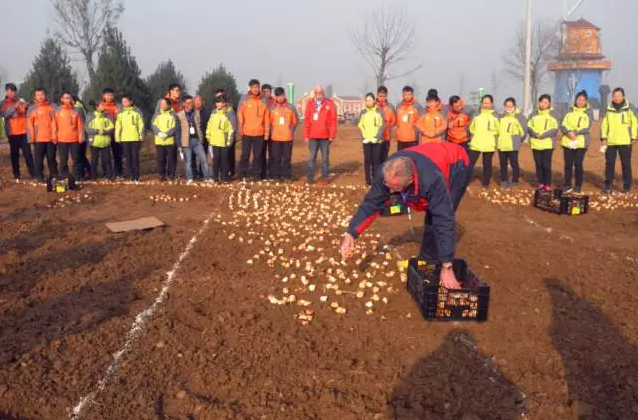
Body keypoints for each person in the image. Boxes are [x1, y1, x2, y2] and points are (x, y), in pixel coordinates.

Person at [340, 142, 470, 289]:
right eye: (387, 185)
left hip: (457, 164)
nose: (388, 191)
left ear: (409, 181)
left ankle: (436, 262)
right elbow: (371, 203)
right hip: (430, 156)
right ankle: (427, 259)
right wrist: (351, 233)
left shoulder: (432, 180)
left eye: (394, 188)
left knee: (437, 215)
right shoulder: (386, 172)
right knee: (431, 213)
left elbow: (444, 218)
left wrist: (447, 266)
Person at [600, 87, 637, 195]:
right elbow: (604, 124)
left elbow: (634, 123)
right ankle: (608, 186)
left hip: (625, 141)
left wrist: (634, 136)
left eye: (619, 95)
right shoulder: (609, 108)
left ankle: (626, 187)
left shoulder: (629, 108)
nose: (617, 98)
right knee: (609, 164)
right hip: (611, 142)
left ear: (623, 96)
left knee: (626, 165)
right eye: (615, 96)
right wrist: (603, 137)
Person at [561, 90, 593, 193]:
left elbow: (587, 126)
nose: (580, 102)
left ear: (586, 102)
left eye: (583, 100)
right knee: (568, 164)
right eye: (579, 99)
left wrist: (575, 132)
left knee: (578, 164)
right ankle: (567, 185)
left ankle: (578, 185)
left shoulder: (588, 112)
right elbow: (563, 124)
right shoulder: (569, 111)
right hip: (568, 141)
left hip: (581, 142)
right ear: (575, 100)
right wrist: (568, 132)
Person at [1, 83, 35, 181]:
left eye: (13, 91)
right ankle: (16, 174)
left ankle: (33, 173)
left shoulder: (21, 101)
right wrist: (15, 107)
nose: (12, 93)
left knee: (28, 154)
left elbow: (28, 113)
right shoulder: (4, 103)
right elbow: (5, 114)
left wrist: (27, 106)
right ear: (6, 91)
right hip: (12, 133)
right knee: (14, 154)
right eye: (9, 91)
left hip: (24, 132)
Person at [304, 85, 337, 184]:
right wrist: (306, 135)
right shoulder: (310, 104)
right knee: (312, 157)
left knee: (325, 158)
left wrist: (332, 135)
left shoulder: (329, 103)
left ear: (323, 93)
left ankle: (325, 177)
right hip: (313, 136)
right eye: (317, 92)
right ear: (314, 93)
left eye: (321, 92)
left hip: (325, 137)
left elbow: (333, 121)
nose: (319, 94)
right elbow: (306, 120)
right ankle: (310, 177)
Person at [238, 79, 270, 180]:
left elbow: (267, 118)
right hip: (247, 133)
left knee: (258, 156)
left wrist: (266, 133)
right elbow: (240, 114)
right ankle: (242, 174)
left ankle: (257, 175)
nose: (255, 89)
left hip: (259, 133)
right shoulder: (245, 99)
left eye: (257, 87)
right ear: (250, 88)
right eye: (253, 87)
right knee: (245, 155)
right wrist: (241, 129)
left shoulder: (264, 100)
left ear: (259, 88)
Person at [176, 95, 212, 184]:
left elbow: (199, 126)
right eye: (188, 103)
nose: (190, 105)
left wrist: (202, 139)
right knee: (188, 161)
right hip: (186, 142)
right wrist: (179, 145)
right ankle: (190, 178)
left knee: (203, 159)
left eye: (191, 102)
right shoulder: (179, 115)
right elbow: (178, 131)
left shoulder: (196, 113)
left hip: (197, 140)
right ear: (184, 104)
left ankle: (207, 177)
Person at [528, 94, 559, 191]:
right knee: (538, 164)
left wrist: (543, 135)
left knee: (546, 165)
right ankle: (540, 183)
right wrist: (534, 134)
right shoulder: (533, 114)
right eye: (541, 102)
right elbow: (529, 126)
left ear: (549, 103)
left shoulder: (553, 114)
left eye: (545, 102)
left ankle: (547, 183)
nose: (543, 104)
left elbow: (555, 129)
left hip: (547, 144)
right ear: (539, 103)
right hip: (536, 143)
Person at [27, 88, 58, 181]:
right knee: (38, 159)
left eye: (42, 94)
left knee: (51, 158)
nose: (40, 97)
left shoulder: (52, 107)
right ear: (35, 96)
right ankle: (39, 176)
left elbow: (55, 122)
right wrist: (31, 138)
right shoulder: (32, 108)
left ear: (45, 95)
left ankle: (54, 175)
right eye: (38, 95)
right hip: (38, 139)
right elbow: (29, 125)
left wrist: (55, 136)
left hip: (50, 138)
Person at [469, 94, 500, 188]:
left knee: (487, 164)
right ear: (481, 104)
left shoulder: (495, 117)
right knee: (470, 163)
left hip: (489, 144)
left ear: (492, 104)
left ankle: (485, 183)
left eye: (488, 103)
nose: (486, 105)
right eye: (484, 103)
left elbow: (498, 131)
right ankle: (466, 180)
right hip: (476, 143)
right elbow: (471, 129)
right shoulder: (476, 116)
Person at [269, 87, 298, 181]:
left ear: (284, 95)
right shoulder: (272, 108)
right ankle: (276, 176)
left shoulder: (291, 107)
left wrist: (291, 132)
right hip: (275, 138)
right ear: (275, 97)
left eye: (281, 95)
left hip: (287, 138)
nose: (280, 98)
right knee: (276, 158)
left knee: (286, 158)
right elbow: (269, 122)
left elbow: (295, 121)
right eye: (277, 96)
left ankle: (286, 176)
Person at [497, 97, 526, 188]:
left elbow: (524, 132)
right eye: (507, 106)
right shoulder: (500, 117)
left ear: (514, 106)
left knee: (514, 163)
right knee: (503, 163)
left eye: (511, 106)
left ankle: (514, 180)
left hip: (513, 145)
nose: (509, 108)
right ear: (504, 106)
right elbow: (497, 130)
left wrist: (517, 141)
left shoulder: (520, 117)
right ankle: (504, 180)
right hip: (502, 144)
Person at [55, 92, 85, 179]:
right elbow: (54, 125)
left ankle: (76, 177)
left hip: (74, 139)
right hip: (62, 139)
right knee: (63, 160)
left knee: (76, 159)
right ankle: (64, 176)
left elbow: (80, 126)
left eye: (69, 98)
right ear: (62, 99)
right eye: (66, 98)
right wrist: (54, 136)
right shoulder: (58, 111)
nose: (68, 100)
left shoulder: (76, 111)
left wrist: (81, 137)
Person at [115, 95, 144, 183]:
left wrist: (141, 135)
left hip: (135, 138)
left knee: (135, 157)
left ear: (131, 102)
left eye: (126, 101)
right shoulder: (120, 114)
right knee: (127, 158)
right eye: (123, 102)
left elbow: (141, 125)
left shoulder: (136, 112)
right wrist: (117, 137)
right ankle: (131, 175)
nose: (124, 103)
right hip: (124, 139)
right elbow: (118, 126)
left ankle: (136, 176)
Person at [358, 92, 385, 186]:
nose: (368, 102)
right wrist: (364, 137)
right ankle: (368, 180)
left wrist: (377, 137)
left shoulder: (379, 111)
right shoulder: (363, 112)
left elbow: (382, 125)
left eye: (370, 100)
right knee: (367, 160)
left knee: (376, 161)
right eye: (367, 100)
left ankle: (376, 180)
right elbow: (360, 125)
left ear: (374, 101)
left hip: (376, 141)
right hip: (366, 141)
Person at [206, 96, 235, 182]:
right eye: (217, 102)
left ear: (225, 103)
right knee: (216, 160)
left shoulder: (228, 114)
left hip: (224, 142)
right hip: (214, 142)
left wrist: (229, 140)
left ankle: (224, 177)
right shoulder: (213, 114)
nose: (218, 104)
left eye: (221, 102)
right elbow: (209, 125)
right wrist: (208, 136)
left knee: (224, 160)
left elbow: (231, 129)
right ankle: (215, 177)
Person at [86, 102, 115, 180]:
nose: (104, 107)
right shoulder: (90, 116)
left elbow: (112, 127)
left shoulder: (107, 116)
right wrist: (97, 131)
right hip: (94, 142)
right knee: (94, 160)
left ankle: (109, 176)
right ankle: (93, 176)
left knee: (107, 160)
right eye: (102, 105)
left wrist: (105, 132)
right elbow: (87, 128)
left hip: (105, 142)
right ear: (97, 107)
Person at [99, 88, 123, 179]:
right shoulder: (100, 106)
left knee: (117, 154)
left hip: (116, 134)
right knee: (105, 155)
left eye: (111, 95)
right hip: (104, 134)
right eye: (107, 95)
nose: (109, 97)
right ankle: (106, 173)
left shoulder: (119, 106)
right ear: (103, 96)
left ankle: (118, 173)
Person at [152, 98, 178, 181]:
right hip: (159, 140)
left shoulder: (173, 114)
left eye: (164, 104)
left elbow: (175, 127)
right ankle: (161, 175)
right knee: (161, 159)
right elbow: (153, 125)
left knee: (171, 159)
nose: (162, 105)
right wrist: (159, 133)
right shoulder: (157, 114)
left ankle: (171, 175)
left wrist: (167, 134)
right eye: (161, 104)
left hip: (170, 141)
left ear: (169, 105)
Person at [214, 89, 238, 178]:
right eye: (217, 97)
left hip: (228, 138)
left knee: (229, 156)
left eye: (221, 96)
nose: (219, 98)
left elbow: (233, 126)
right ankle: (222, 173)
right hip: (218, 139)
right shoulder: (215, 110)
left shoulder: (230, 109)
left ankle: (229, 173)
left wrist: (230, 138)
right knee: (220, 157)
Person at [395, 85, 424, 151]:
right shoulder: (399, 106)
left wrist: (416, 131)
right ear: (403, 95)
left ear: (412, 95)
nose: (407, 96)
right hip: (400, 137)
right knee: (401, 158)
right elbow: (396, 121)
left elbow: (421, 121)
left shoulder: (417, 106)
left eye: (409, 94)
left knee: (412, 158)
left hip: (412, 138)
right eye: (405, 94)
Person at [73, 95, 91, 179]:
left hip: (81, 135)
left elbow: (80, 123)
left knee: (79, 155)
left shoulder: (78, 109)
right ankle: (87, 171)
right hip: (81, 134)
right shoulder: (80, 107)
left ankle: (85, 172)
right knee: (80, 155)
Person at [376, 86, 396, 161]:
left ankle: (383, 172)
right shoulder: (373, 106)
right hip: (375, 137)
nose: (381, 98)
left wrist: (387, 126)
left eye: (383, 96)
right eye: (380, 96)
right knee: (375, 158)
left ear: (386, 95)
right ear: (377, 95)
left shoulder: (391, 107)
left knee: (384, 157)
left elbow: (394, 122)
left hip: (386, 136)